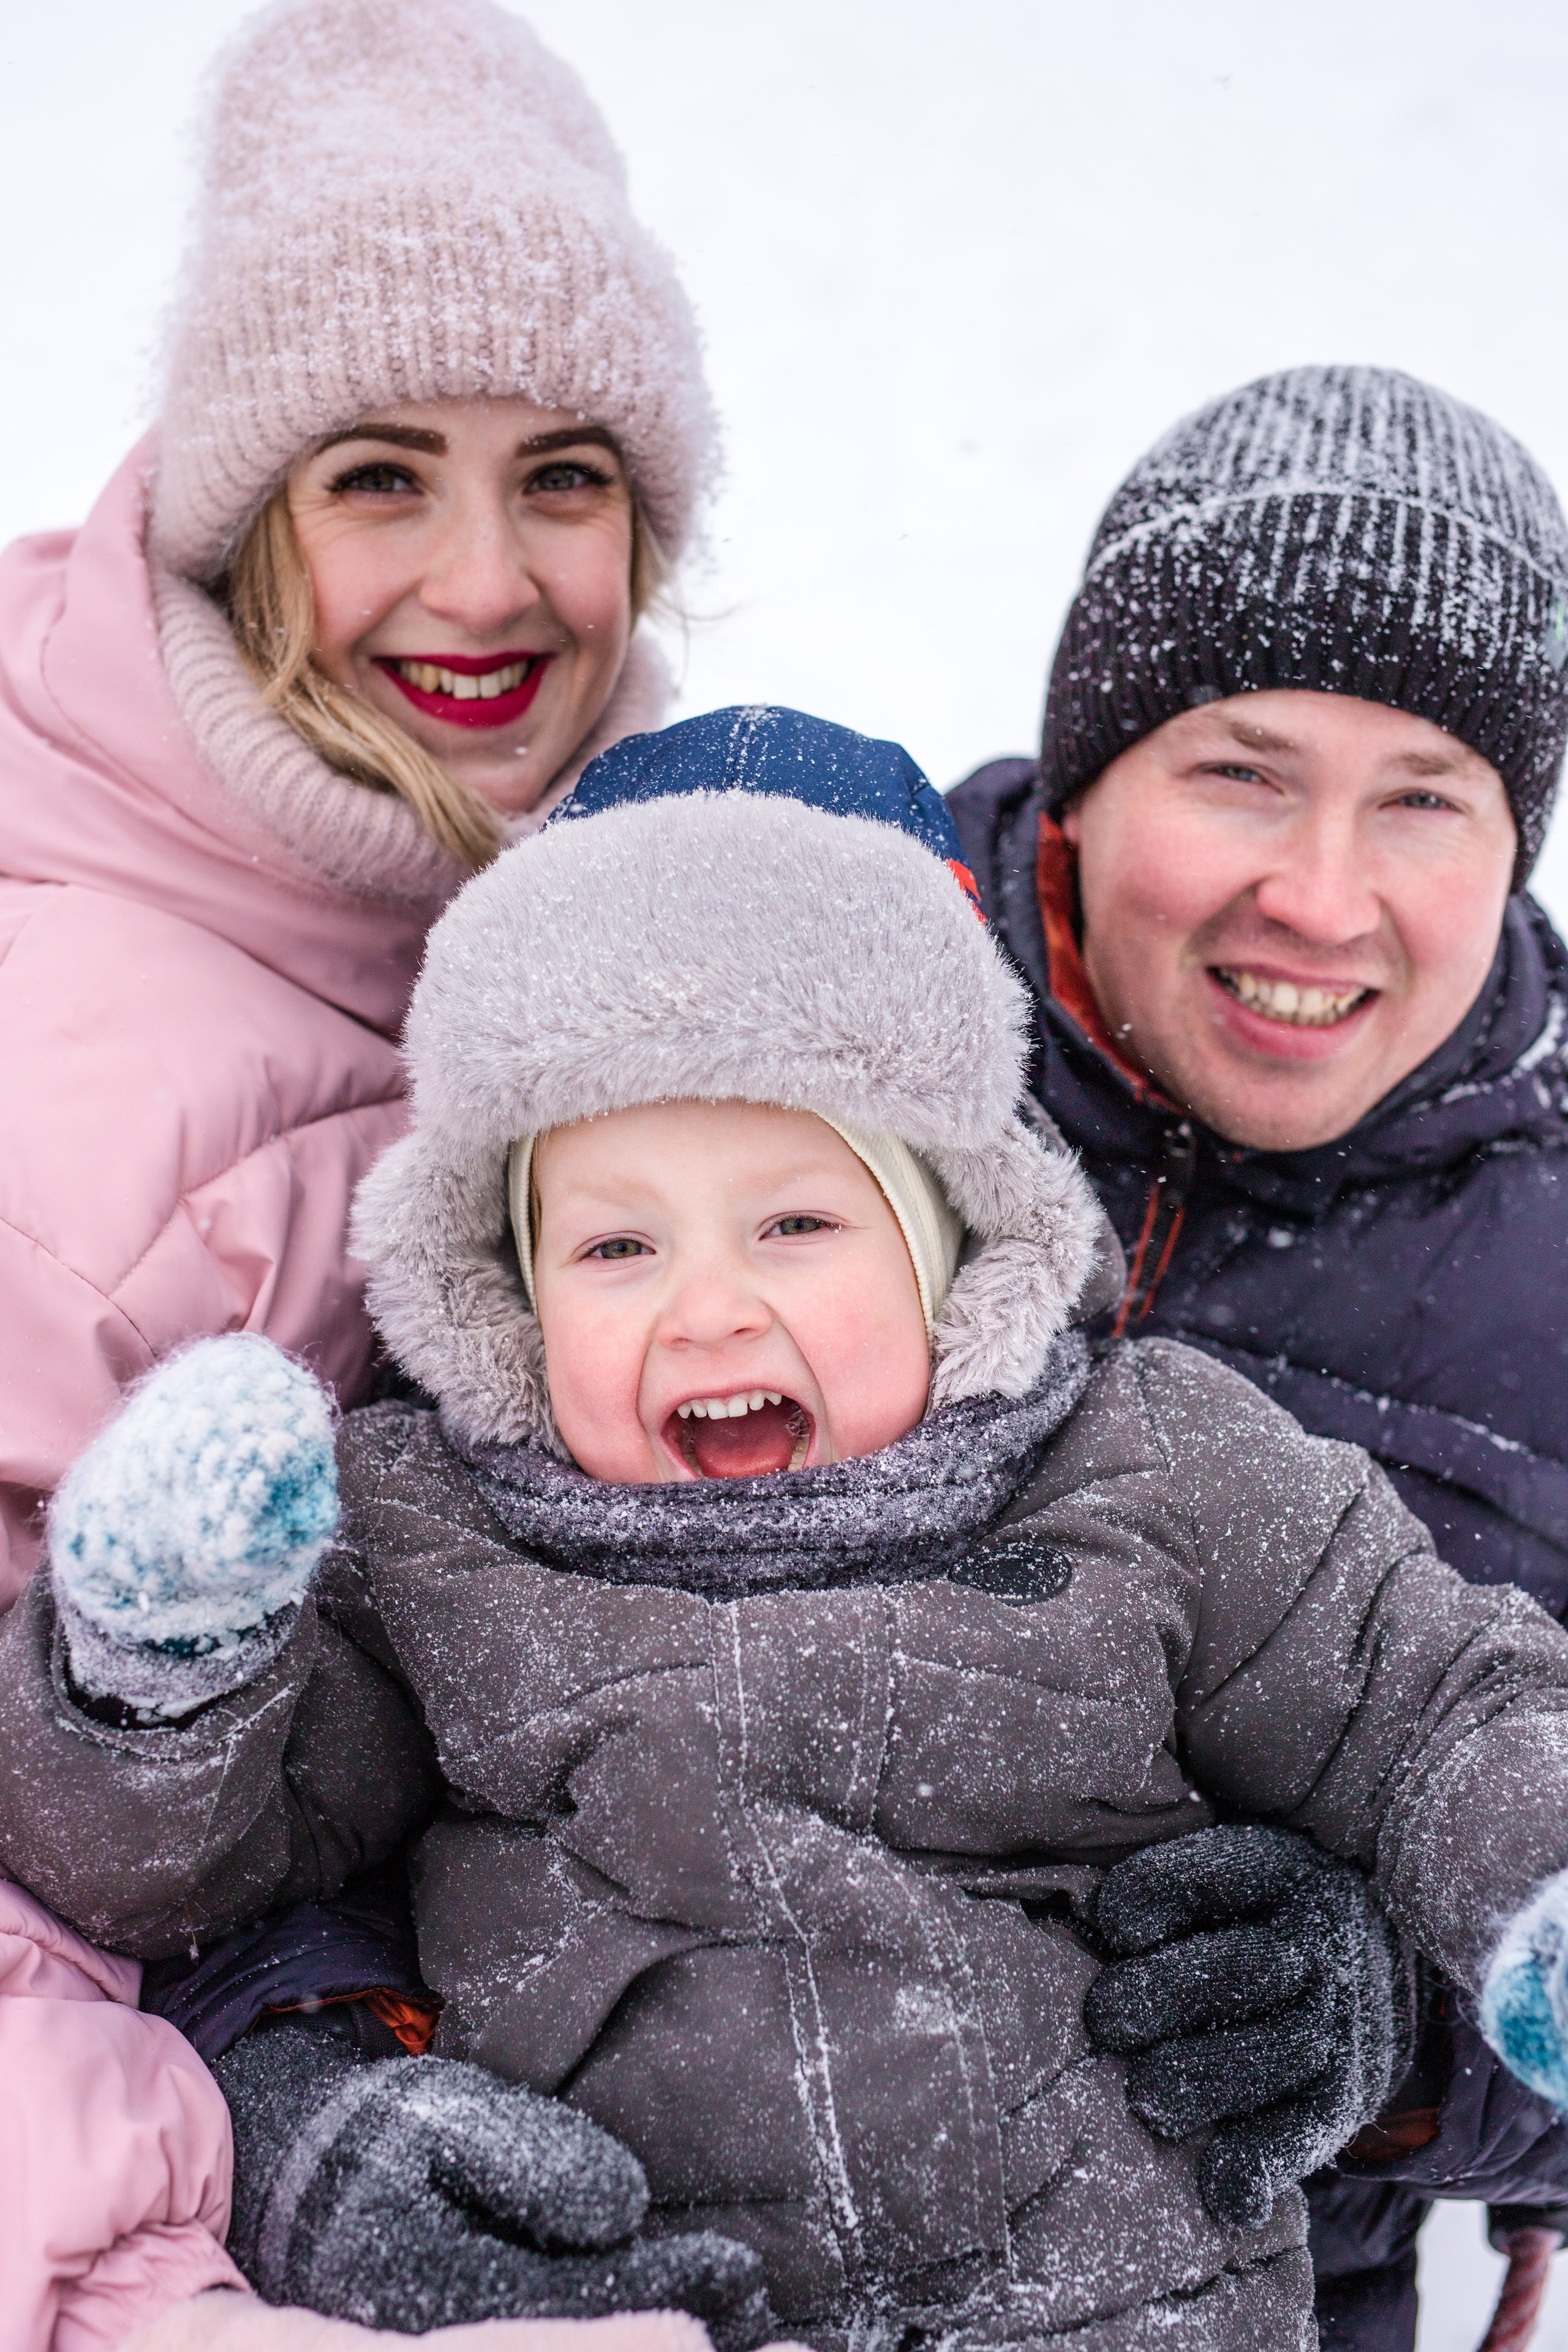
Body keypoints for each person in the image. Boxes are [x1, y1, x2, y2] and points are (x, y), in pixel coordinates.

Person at [11, 712, 1568, 2352]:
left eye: (796, 1223)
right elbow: (184, 1868)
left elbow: (1440, 1696)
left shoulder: (1149, 1468)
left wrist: (1519, 1900)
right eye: (616, 1246)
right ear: (512, 1289)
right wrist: (155, 1667)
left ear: (950, 1234)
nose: (707, 1310)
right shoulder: (432, 1542)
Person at [0, 0, 717, 2342]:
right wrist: (232, 2204)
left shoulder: (588, 899)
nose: (488, 584)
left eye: (570, 476)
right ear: (246, 515)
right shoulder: (79, 1100)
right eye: (381, 475)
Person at [948, 364, 1568, 2351]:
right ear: (1087, 773)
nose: (1320, 893)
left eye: (1423, 800)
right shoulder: (816, 1058)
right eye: (1241, 768)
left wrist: (1404, 2041)